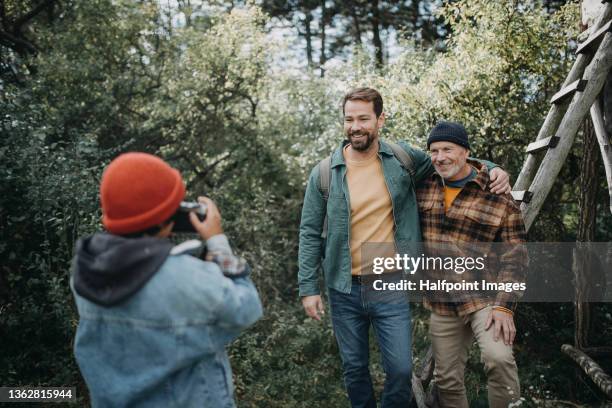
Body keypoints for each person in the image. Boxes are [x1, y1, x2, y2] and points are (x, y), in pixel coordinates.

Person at [297, 87, 511, 408]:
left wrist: (492, 167)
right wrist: (308, 288)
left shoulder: (402, 160)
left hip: (391, 283)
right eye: (349, 119)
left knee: (399, 370)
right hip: (344, 288)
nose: (355, 126)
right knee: (355, 370)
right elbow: (310, 232)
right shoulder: (325, 173)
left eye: (363, 119)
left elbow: (452, 161)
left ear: (380, 120)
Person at [70, 152, 262, 408]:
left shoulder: (85, 269)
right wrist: (218, 244)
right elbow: (247, 307)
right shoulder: (184, 275)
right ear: (165, 219)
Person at [417, 121, 528, 408]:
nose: (440, 157)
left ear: (465, 152)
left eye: (447, 149)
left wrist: (505, 307)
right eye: (434, 151)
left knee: (499, 359)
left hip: (485, 297)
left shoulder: (497, 195)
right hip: (441, 300)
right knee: (447, 379)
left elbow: (515, 258)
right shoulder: (423, 187)